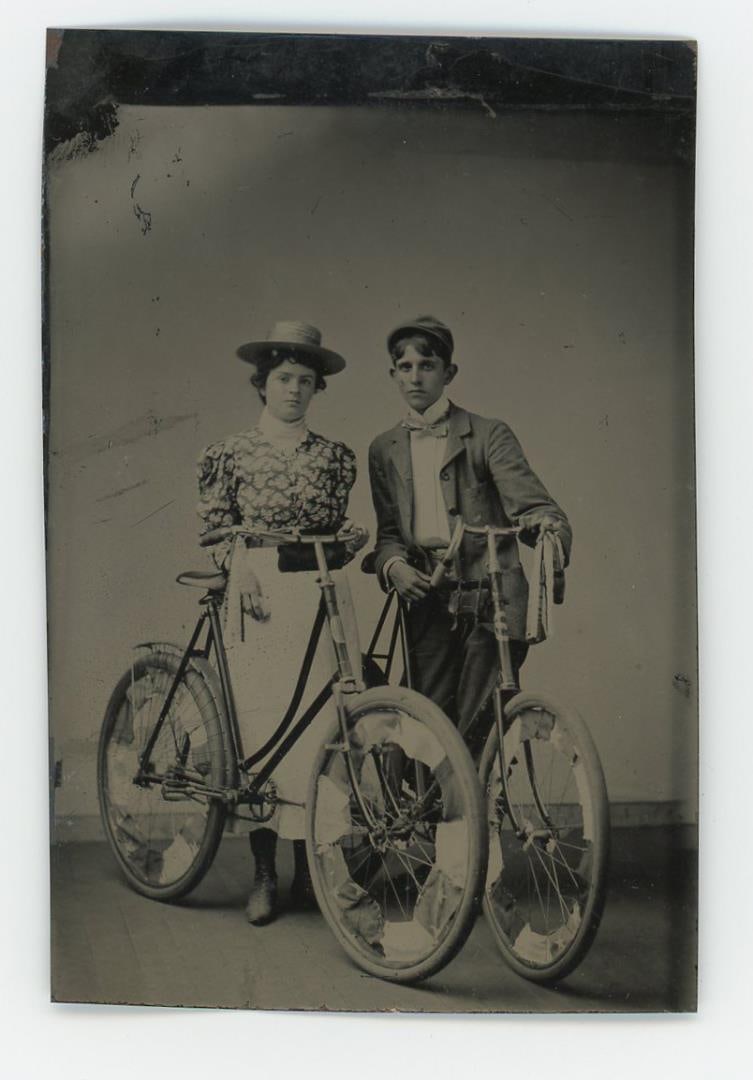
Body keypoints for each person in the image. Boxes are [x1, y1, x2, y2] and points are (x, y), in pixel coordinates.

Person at [197, 320, 366, 926]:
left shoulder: (335, 458)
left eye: (305, 381)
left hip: (319, 593)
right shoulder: (231, 453)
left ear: (318, 390)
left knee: (321, 729)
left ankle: (311, 874)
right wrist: (234, 566)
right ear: (262, 385)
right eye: (284, 379)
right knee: (264, 726)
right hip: (259, 592)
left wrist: (348, 541)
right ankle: (266, 873)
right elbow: (217, 527)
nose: (294, 389)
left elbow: (333, 534)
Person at [368, 315, 571, 753]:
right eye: (405, 367)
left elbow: (534, 505)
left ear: (448, 373)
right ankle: (424, 819)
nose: (416, 376)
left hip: (490, 593)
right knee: (422, 718)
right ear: (393, 375)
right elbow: (387, 534)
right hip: (427, 597)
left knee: (480, 716)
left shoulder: (487, 434)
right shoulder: (383, 448)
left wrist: (544, 526)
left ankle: (469, 819)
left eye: (427, 365)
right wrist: (394, 564)